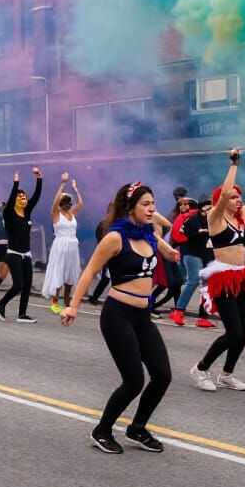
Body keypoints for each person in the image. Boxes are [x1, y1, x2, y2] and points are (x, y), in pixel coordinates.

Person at [61, 183, 179, 454]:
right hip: (118, 315)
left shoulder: (149, 233)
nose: (151, 209)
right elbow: (90, 271)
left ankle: (137, 428)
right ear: (129, 208)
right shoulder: (115, 238)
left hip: (142, 316)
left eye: (153, 203)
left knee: (162, 375)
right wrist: (73, 307)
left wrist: (169, 252)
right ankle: (101, 430)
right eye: (145, 204)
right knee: (134, 380)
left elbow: (166, 233)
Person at [189, 150, 245, 392]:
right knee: (233, 332)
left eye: (238, 197)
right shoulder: (215, 218)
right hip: (223, 277)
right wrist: (234, 164)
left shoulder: (241, 217)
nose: (237, 200)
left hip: (242, 275)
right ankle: (201, 369)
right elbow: (224, 193)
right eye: (233, 197)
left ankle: (227, 374)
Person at [0, 167, 43, 323]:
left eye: (24, 197)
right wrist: (16, 184)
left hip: (26, 254)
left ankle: (22, 314)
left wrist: (39, 179)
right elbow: (9, 203)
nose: (24, 199)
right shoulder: (9, 213)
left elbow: (36, 197)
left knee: (27, 285)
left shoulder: (26, 212)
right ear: (15, 200)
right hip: (13, 254)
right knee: (18, 285)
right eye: (20, 197)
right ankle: (1, 303)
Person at [171, 198, 216, 328]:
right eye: (208, 207)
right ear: (202, 208)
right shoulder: (192, 219)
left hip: (207, 254)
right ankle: (178, 311)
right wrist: (199, 232)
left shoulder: (212, 221)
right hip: (192, 253)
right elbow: (184, 234)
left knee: (207, 285)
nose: (211, 210)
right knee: (194, 280)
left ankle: (202, 317)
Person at [43, 173, 83, 314]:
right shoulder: (56, 213)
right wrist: (62, 183)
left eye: (68, 201)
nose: (68, 203)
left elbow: (81, 203)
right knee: (58, 273)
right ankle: (55, 300)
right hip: (60, 245)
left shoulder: (71, 213)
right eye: (64, 200)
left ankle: (66, 299)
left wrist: (75, 189)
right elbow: (55, 201)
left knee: (70, 274)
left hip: (72, 246)